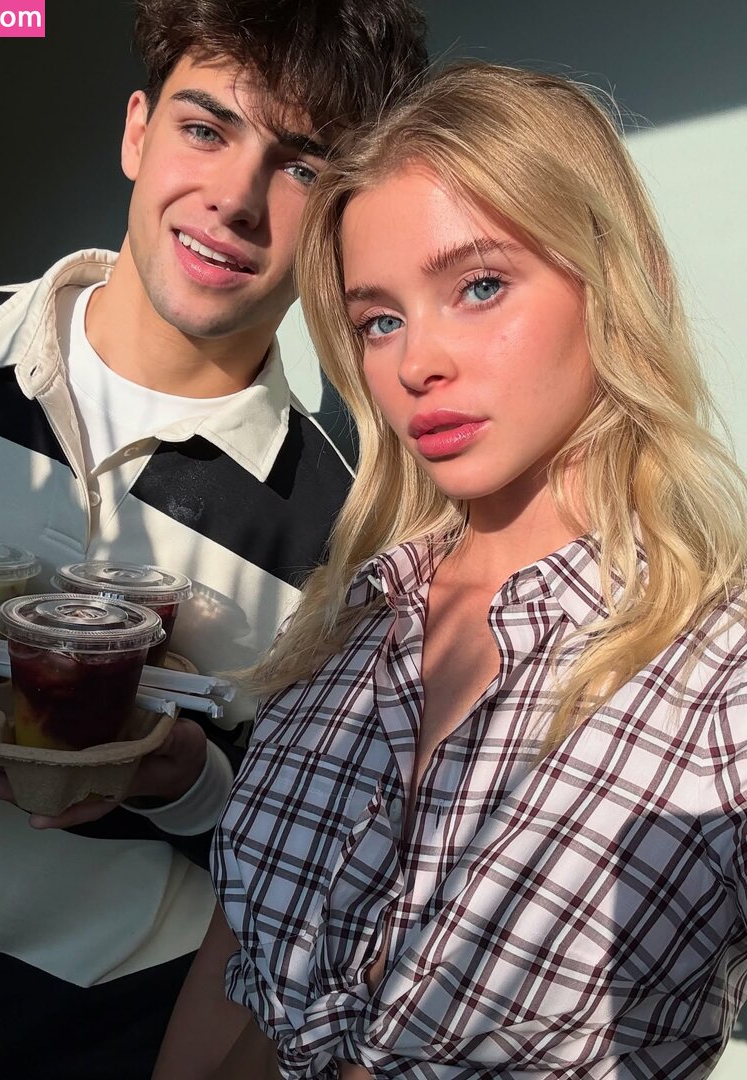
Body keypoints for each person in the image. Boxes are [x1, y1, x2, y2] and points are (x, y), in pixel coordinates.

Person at [157, 62, 747, 1079]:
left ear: (617, 278)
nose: (415, 363)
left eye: (479, 286)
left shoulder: (720, 682)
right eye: (379, 320)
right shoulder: (341, 625)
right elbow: (236, 973)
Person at [0, 2, 429, 1077]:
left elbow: (309, 866)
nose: (235, 198)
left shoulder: (347, 530)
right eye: (205, 128)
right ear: (137, 131)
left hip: (117, 1037)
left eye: (302, 166)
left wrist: (183, 779)